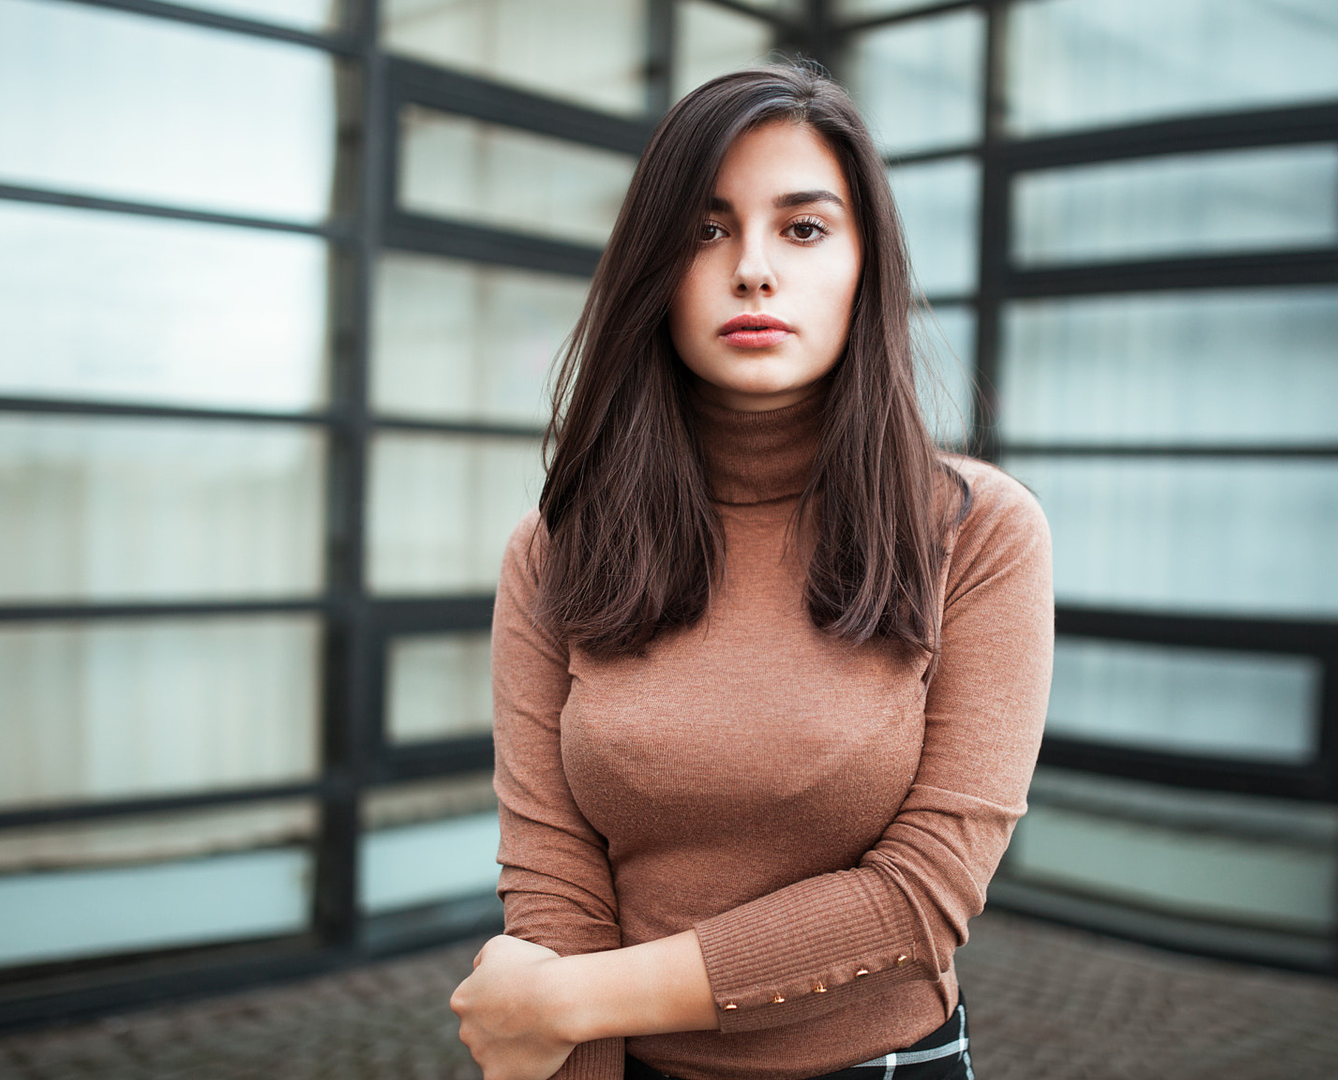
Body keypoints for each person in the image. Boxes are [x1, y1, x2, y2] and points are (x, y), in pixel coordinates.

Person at [449, 63, 1053, 1080]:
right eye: (707, 228)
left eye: (805, 228)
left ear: (868, 266)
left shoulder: (977, 531)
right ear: (654, 266)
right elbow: (554, 879)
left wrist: (571, 1002)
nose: (755, 270)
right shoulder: (557, 547)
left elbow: (924, 898)